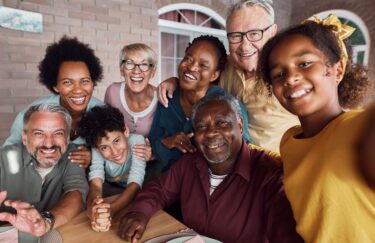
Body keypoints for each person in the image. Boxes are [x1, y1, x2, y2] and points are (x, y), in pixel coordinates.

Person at [118, 93, 302, 243]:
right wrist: (139, 212)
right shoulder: (190, 162)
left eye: (222, 123)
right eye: (202, 127)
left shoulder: (269, 173)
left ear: (239, 125)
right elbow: (159, 190)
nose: (211, 132)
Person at [258, 14, 374, 242]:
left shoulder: (356, 129)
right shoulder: (289, 141)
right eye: (278, 74)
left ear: (337, 70)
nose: (290, 78)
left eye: (304, 64)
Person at [157, 0, 299, 153]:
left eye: (254, 34)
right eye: (236, 36)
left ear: (272, 32)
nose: (245, 46)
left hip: (279, 169)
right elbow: (197, 73)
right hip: (229, 163)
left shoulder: (290, 76)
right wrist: (175, 82)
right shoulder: (225, 65)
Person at [149, 35, 250, 174]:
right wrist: (169, 142)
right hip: (172, 179)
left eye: (203, 65)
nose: (191, 67)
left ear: (214, 75)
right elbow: (155, 146)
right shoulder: (167, 98)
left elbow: (243, 154)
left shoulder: (229, 106)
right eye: (188, 58)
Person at [2, 36, 105, 168]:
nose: (78, 90)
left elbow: (118, 154)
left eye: (84, 81)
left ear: (93, 82)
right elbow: (8, 152)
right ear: (55, 86)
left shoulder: (103, 113)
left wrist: (94, 156)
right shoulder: (35, 112)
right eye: (67, 82)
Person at [0, 104, 88, 239]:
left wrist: (46, 222)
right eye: (39, 134)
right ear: (24, 137)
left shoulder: (73, 154)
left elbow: (76, 193)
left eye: (58, 133)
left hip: (53, 235)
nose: (48, 144)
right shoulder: (4, 157)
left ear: (67, 137)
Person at [77, 105, 146, 233]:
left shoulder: (137, 141)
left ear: (125, 130)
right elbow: (96, 184)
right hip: (112, 189)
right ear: (97, 149)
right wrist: (96, 208)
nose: (114, 152)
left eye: (117, 141)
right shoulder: (96, 149)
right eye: (104, 148)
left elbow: (135, 183)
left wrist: (112, 210)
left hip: (134, 190)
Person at [105, 43, 157, 162]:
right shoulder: (112, 92)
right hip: (117, 164)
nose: (136, 71)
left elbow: (167, 140)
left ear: (153, 72)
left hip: (149, 166)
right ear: (121, 70)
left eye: (144, 64)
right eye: (129, 63)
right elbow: (105, 130)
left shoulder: (161, 98)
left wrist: (153, 154)